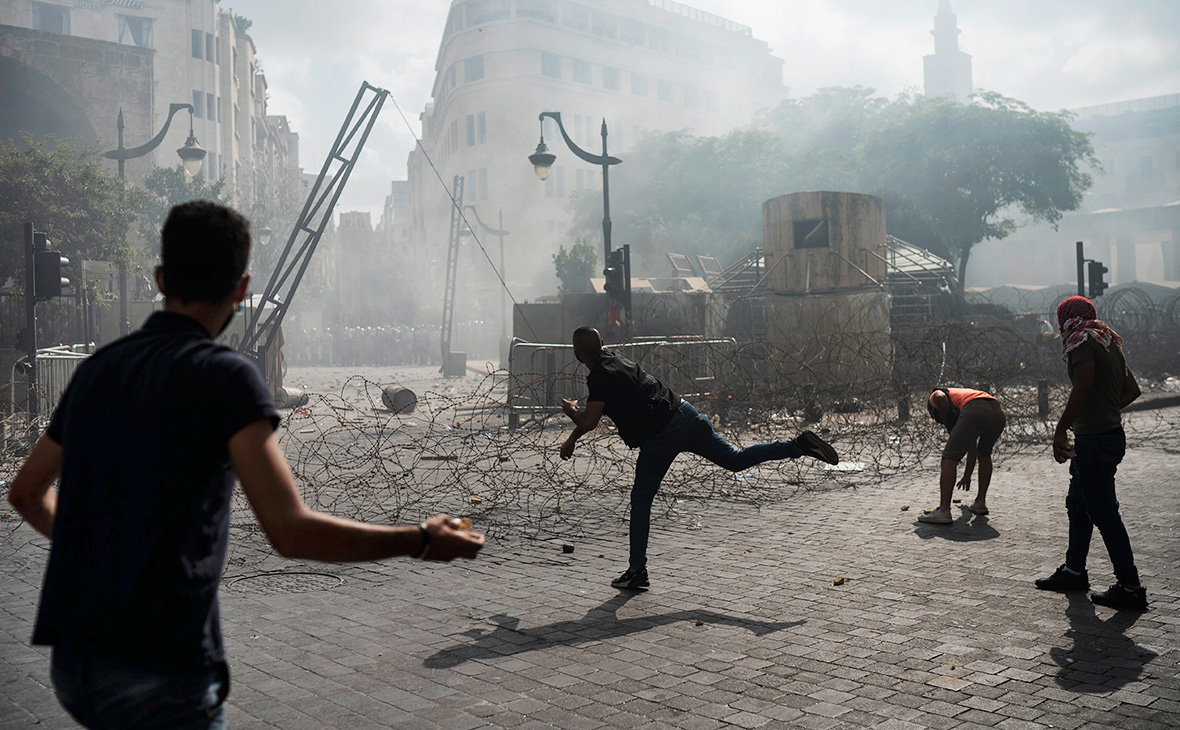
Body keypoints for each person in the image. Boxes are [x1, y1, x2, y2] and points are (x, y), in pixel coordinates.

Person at [7, 201, 485, 730]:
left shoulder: (99, 368)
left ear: (161, 278)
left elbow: (25, 492)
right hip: (161, 660)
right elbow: (290, 532)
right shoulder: (224, 376)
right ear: (241, 288)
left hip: (75, 658)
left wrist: (97, 547)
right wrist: (418, 538)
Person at [559, 325, 839, 590]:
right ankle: (797, 446)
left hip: (661, 435)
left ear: (576, 354)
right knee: (735, 459)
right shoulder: (613, 359)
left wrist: (571, 410)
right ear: (603, 345)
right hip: (685, 414)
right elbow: (601, 410)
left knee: (641, 499)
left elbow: (591, 419)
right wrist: (572, 438)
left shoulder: (599, 376)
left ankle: (636, 571)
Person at [1035, 295, 1146, 610]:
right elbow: (1132, 390)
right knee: (1079, 505)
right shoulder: (1108, 340)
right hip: (1107, 435)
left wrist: (1061, 428)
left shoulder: (1082, 341)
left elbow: (1082, 387)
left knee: (1104, 513)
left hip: (1095, 441)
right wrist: (1105, 411)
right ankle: (1074, 571)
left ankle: (1130, 586)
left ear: (1065, 318)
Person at [918, 387, 1007, 524]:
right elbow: (971, 447)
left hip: (976, 408)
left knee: (948, 458)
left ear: (932, 409)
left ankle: (943, 511)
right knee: (984, 454)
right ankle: (980, 503)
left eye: (935, 417)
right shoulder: (961, 402)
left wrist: (948, 425)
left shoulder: (936, 395)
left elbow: (940, 398)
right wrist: (967, 476)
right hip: (997, 412)